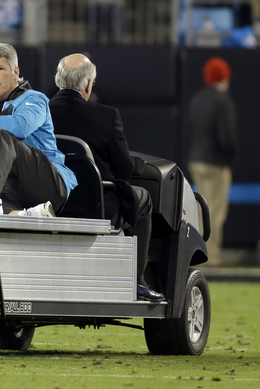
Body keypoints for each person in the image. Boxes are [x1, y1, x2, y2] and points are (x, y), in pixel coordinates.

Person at [48, 53, 164, 302]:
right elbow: (124, 169)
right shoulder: (106, 116)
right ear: (88, 84)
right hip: (96, 207)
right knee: (143, 198)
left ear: (58, 81)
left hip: (47, 206)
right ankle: (136, 280)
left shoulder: (38, 114)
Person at [0, 43, 77, 217]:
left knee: (0, 135)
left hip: (50, 186)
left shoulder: (35, 99)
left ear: (15, 72)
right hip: (12, 191)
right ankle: (23, 214)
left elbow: (21, 127)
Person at [187, 57, 238, 267]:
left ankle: (198, 256)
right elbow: (226, 137)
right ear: (225, 75)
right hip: (215, 163)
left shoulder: (197, 99)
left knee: (201, 211)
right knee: (215, 212)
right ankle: (212, 257)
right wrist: (231, 156)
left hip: (196, 160)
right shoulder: (222, 100)